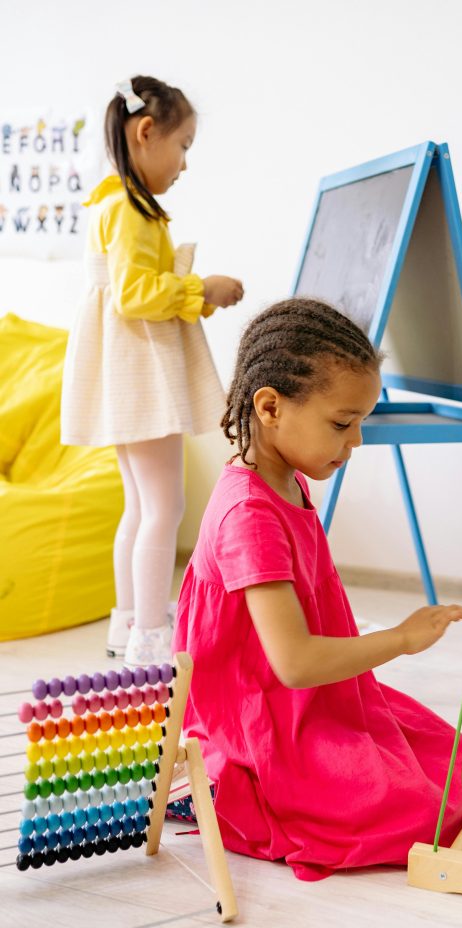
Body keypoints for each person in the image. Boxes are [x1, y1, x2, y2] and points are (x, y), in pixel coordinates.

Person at [172, 297, 462, 881]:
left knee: (457, 766)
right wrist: (400, 639)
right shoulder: (250, 515)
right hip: (263, 726)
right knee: (419, 813)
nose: (358, 440)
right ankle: (215, 789)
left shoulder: (285, 479)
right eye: (343, 423)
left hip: (315, 701)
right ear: (270, 407)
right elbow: (292, 663)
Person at [61, 75, 244, 667]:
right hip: (141, 379)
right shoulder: (134, 211)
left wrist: (195, 294)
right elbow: (137, 295)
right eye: (184, 145)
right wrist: (202, 287)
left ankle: (128, 622)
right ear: (147, 134)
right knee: (165, 507)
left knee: (140, 507)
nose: (186, 163)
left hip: (122, 378)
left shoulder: (111, 204)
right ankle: (149, 634)